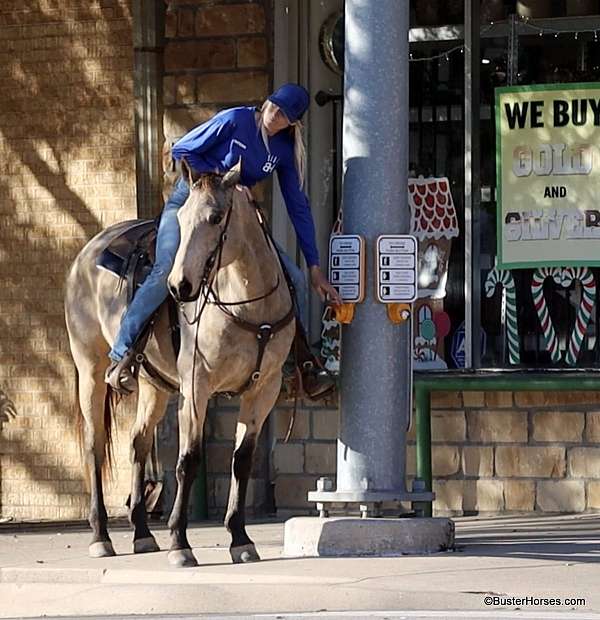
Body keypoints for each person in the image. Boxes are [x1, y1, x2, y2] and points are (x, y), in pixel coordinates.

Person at [105, 83, 342, 398]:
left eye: (284, 114)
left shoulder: (284, 151)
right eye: (274, 106)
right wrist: (223, 178)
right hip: (191, 203)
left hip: (235, 216)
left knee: (294, 279)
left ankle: (297, 363)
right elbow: (183, 149)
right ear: (266, 102)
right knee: (165, 269)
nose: (275, 115)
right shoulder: (236, 119)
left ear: (292, 123)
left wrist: (314, 266)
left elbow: (297, 206)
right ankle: (122, 353)